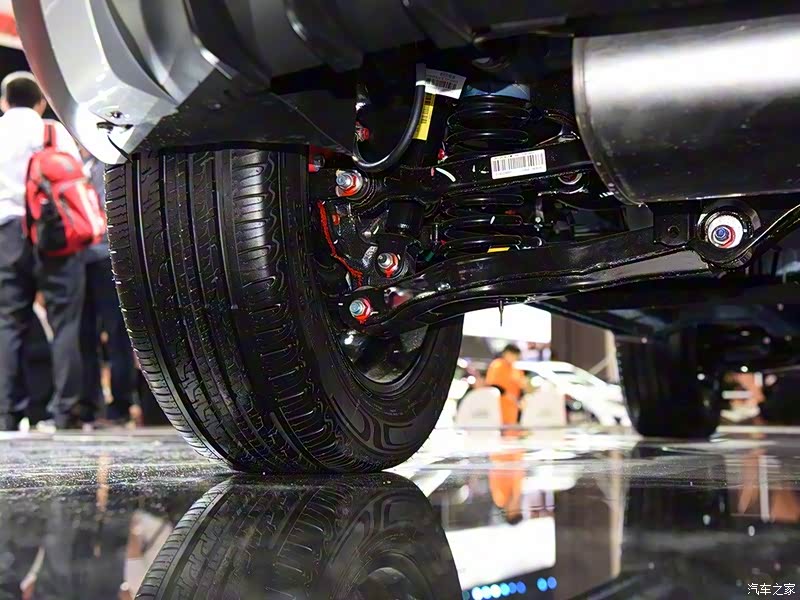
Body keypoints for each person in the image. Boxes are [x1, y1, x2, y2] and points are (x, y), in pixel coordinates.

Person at [0, 72, 85, 430]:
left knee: (8, 323)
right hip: (54, 232)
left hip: (7, 233)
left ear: (4, 102)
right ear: (40, 103)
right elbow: (76, 178)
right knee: (65, 322)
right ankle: (65, 412)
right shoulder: (53, 131)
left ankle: (7, 413)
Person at [79, 150, 134, 425]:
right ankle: (103, 406)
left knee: (111, 335)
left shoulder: (99, 165)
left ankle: (117, 406)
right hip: (88, 258)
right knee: (96, 336)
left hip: (98, 257)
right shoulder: (94, 165)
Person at [485, 343, 529, 429]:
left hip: (513, 410)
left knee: (511, 432)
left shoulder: (516, 369)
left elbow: (521, 387)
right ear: (506, 353)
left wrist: (521, 399)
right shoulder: (497, 365)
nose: (515, 358)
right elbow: (492, 384)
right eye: (513, 355)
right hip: (498, 408)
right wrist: (507, 395)